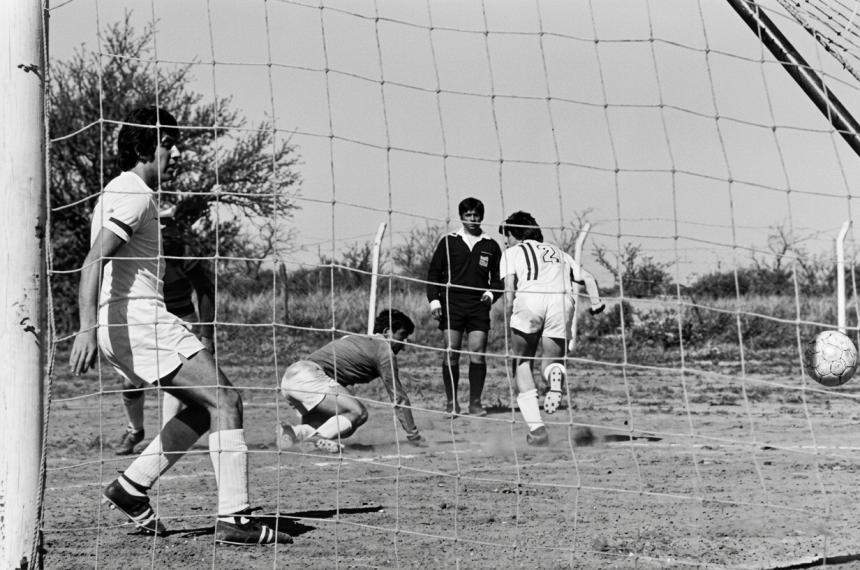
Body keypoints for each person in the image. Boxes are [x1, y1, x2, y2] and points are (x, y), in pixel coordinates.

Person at [69, 106, 290, 545]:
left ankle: (131, 488)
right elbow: (94, 259)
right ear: (142, 147)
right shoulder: (134, 195)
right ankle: (235, 519)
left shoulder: (118, 191)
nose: (174, 152)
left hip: (131, 324)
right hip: (139, 321)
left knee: (200, 407)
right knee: (227, 400)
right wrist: (85, 328)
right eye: (167, 143)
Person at [115, 202, 216, 455]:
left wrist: (206, 335)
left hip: (182, 315)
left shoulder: (184, 250)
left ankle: (164, 439)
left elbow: (205, 289)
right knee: (130, 381)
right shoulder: (134, 250)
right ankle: (135, 429)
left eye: (170, 229)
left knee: (178, 375)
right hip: (145, 317)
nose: (167, 235)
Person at [498, 211, 604, 446]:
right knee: (552, 362)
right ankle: (554, 378)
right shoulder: (559, 252)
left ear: (515, 233)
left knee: (521, 362)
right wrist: (596, 303)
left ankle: (537, 431)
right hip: (561, 302)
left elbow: (508, 288)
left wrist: (510, 312)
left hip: (529, 300)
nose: (505, 241)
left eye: (507, 235)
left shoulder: (512, 253)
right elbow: (587, 277)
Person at [278, 309, 425, 452]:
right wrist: (413, 435)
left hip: (291, 378)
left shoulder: (356, 339)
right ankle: (314, 440)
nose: (405, 344)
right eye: (403, 335)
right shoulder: (384, 350)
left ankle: (293, 433)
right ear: (387, 331)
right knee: (358, 413)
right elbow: (398, 398)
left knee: (343, 426)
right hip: (309, 377)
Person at [426, 197, 502, 416]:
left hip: (478, 306)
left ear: (482, 217)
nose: (472, 219)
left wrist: (491, 294)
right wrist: (434, 301)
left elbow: (499, 279)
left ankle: (475, 403)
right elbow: (433, 274)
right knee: (451, 353)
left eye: (476, 215)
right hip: (452, 304)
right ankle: (452, 403)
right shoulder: (449, 241)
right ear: (461, 217)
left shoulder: (490, 244)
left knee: (477, 354)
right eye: (468, 215)